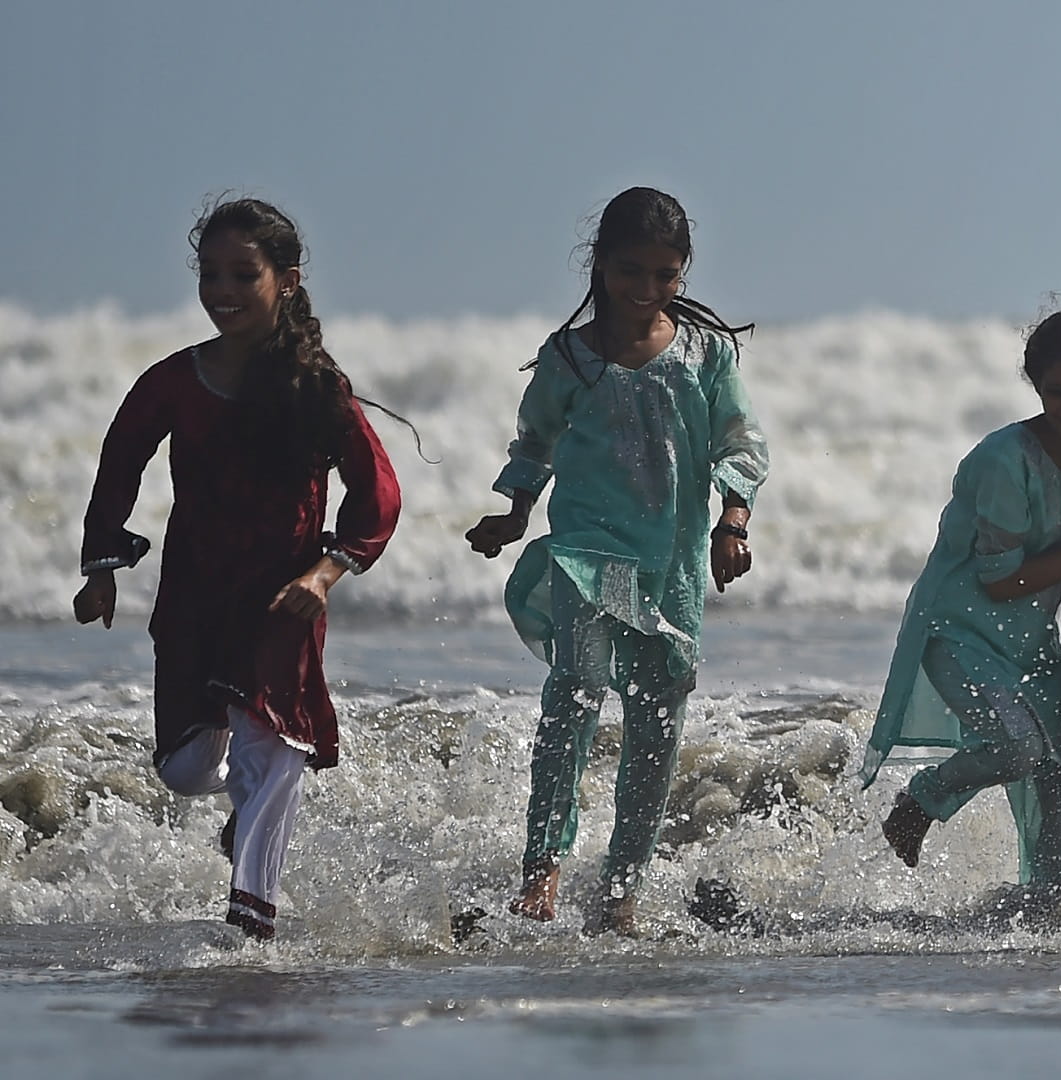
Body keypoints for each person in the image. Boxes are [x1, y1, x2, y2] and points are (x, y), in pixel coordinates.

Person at [73, 198, 404, 941]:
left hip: (281, 597)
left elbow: (377, 487)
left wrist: (325, 574)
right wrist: (102, 565)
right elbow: (120, 463)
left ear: (285, 281)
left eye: (241, 274)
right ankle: (245, 805)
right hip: (194, 596)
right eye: (210, 273)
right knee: (184, 769)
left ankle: (250, 927)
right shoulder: (174, 381)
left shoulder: (316, 386)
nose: (221, 290)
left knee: (277, 746)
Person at [466, 187, 770, 938]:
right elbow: (534, 440)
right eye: (630, 271)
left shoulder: (707, 353)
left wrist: (733, 518)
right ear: (597, 264)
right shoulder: (569, 358)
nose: (645, 290)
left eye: (665, 275)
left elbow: (741, 442)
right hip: (583, 555)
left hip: (668, 567)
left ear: (683, 272)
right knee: (573, 698)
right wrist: (512, 512)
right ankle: (540, 876)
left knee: (657, 722)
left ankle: (621, 894)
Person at [865, 305, 1061, 911]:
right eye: (1056, 392)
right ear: (1035, 388)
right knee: (1019, 749)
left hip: (1031, 645)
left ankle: (1049, 901)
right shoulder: (1003, 460)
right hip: (959, 633)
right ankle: (920, 801)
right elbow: (1000, 579)